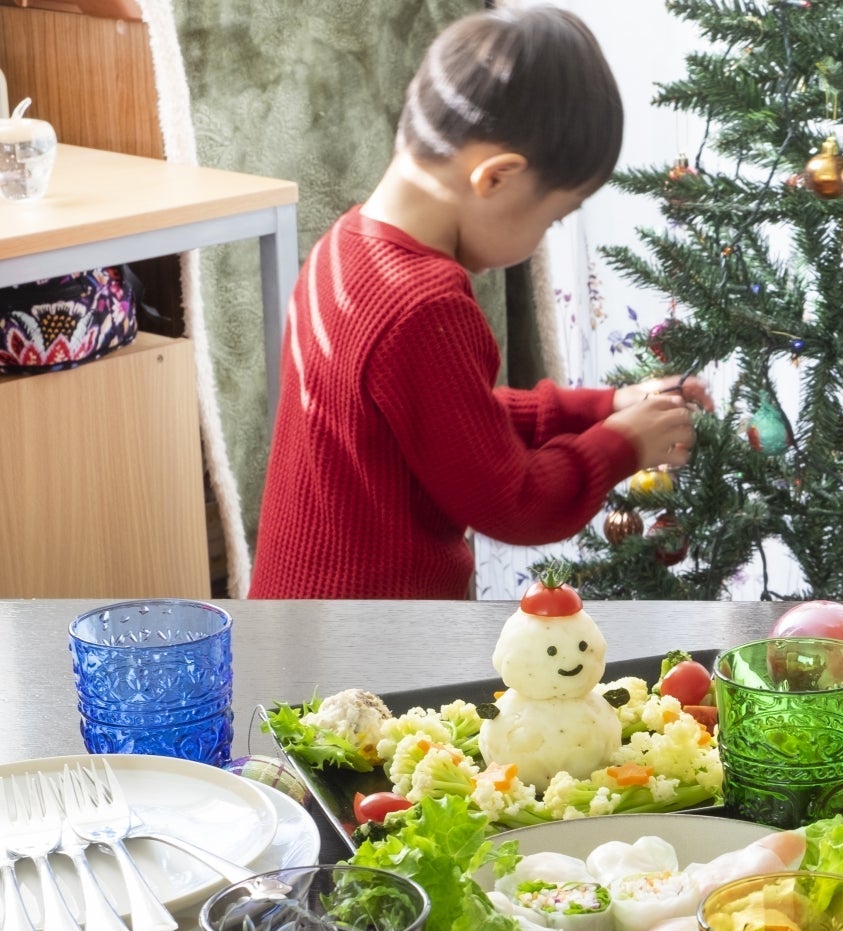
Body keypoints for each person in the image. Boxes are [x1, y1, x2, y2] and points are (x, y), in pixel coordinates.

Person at [251, 6, 708, 599]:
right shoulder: (423, 305)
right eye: (550, 218)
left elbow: (455, 420)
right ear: (495, 178)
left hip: (299, 603)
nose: (538, 239)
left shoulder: (345, 247)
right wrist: (622, 444)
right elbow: (516, 502)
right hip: (374, 625)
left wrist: (605, 405)